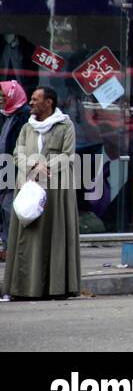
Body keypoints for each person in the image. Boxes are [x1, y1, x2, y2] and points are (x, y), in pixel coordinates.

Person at [2, 86, 80, 299]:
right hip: (28, 186)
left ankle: (54, 288)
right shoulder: (28, 126)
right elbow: (17, 151)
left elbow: (68, 155)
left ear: (49, 103)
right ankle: (23, 289)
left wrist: (46, 167)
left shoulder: (65, 125)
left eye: (36, 99)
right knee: (28, 236)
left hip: (55, 189)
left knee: (53, 236)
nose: (31, 103)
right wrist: (32, 165)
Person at [0, 81, 31, 260]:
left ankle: (15, 248)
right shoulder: (6, 114)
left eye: (5, 96)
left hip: (16, 168)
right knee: (4, 209)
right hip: (3, 168)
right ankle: (7, 246)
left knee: (10, 208)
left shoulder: (24, 115)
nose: (2, 100)